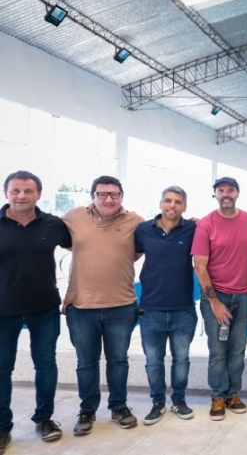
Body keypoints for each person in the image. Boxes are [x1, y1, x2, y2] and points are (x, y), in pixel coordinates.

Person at [62, 175, 144, 434]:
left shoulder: (135, 221)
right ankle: (87, 411)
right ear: (92, 196)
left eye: (114, 194)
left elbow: (139, 250)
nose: (108, 199)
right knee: (86, 363)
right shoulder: (73, 217)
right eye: (102, 194)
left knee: (118, 361)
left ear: (122, 196)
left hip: (122, 306)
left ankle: (119, 406)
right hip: (82, 307)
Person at [0, 171, 71, 451]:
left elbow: (82, 243)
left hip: (44, 307)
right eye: (15, 190)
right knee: (2, 369)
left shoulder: (53, 224)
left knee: (45, 364)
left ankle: (44, 419)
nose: (21, 196)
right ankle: (3, 426)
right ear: (6, 193)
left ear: (38, 194)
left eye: (28, 191)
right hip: (3, 310)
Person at [191, 177, 247, 421]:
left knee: (238, 350)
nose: (225, 194)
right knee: (218, 350)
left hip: (243, 296)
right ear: (215, 195)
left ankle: (233, 394)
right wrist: (215, 302)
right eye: (220, 191)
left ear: (237, 193)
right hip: (216, 296)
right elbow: (199, 266)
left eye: (230, 190)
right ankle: (218, 396)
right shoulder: (206, 224)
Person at [134, 186, 198, 425]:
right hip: (151, 309)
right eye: (168, 201)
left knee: (181, 359)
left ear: (185, 206)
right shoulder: (143, 230)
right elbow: (131, 254)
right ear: (160, 203)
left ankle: (179, 400)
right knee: (153, 361)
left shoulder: (193, 229)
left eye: (178, 202)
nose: (172, 205)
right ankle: (158, 402)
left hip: (183, 309)